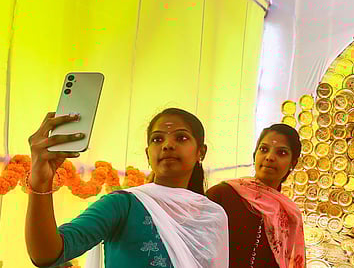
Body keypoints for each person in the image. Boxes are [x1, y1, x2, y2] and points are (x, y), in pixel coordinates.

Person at [25, 108, 229, 268]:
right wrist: (40, 183)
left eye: (181, 138)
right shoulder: (124, 204)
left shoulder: (212, 216)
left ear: (200, 152)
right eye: (157, 139)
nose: (167, 145)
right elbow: (47, 253)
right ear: (148, 153)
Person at [206, 124, 305, 268]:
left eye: (281, 153)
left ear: (293, 163)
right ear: (254, 156)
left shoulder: (290, 215)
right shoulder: (221, 195)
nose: (270, 157)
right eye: (264, 149)